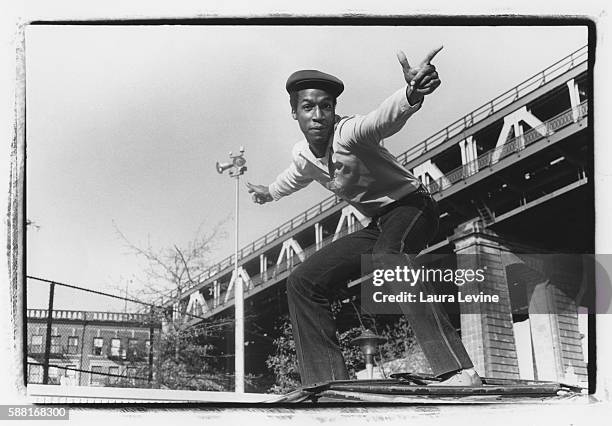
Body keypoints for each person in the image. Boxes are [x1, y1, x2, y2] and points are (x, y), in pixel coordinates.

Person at [247, 47, 481, 387]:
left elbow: (382, 119)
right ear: (294, 112)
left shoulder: (350, 132)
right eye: (308, 107)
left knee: (389, 257)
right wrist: (268, 193)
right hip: (380, 224)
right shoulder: (302, 156)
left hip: (414, 207)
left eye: (325, 106)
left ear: (334, 111)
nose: (317, 115)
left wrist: (412, 93)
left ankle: (459, 370)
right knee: (302, 282)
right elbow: (293, 177)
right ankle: (328, 382)